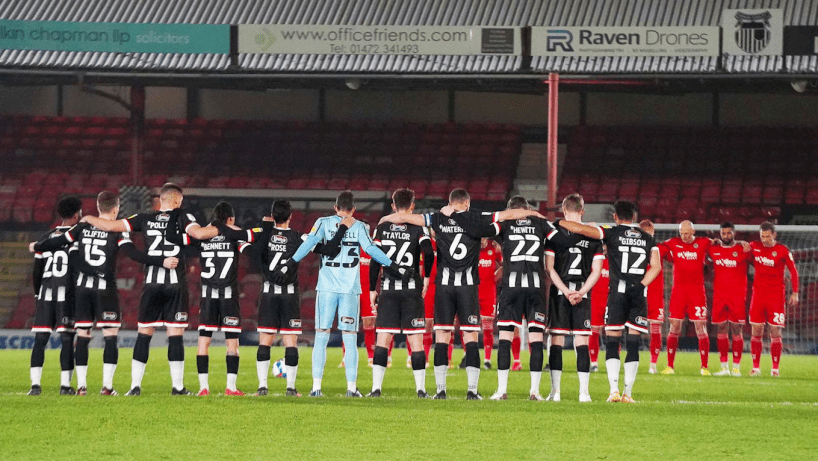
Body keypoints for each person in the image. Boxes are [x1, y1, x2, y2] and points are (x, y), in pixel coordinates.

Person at [380, 189, 540, 400]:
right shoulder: (476, 217)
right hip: (467, 287)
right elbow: (510, 214)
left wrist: (385, 219)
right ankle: (472, 391)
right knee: (471, 336)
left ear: (449, 203)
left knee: (443, 337)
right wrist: (536, 216)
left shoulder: (437, 218)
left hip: (444, 287)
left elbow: (403, 217)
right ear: (467, 203)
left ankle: (440, 391)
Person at [81, 183, 219, 396]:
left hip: (152, 284)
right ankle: (178, 387)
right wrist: (224, 228)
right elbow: (199, 235)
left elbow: (110, 227)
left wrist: (89, 218)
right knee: (175, 334)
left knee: (144, 334)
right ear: (175, 200)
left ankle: (135, 387)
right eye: (180, 201)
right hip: (175, 285)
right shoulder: (183, 218)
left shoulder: (143, 218)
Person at [32, 191, 175, 396]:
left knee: (82, 336)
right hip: (105, 289)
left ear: (99, 208)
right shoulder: (117, 231)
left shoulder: (82, 226)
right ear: (116, 209)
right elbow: (133, 254)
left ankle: (82, 387)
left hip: (82, 290)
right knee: (110, 336)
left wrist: (37, 246)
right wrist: (161, 261)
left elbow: (59, 241)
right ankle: (107, 387)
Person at [282, 191, 405, 398]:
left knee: (321, 336)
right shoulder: (359, 226)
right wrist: (393, 265)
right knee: (349, 338)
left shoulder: (323, 222)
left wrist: (291, 262)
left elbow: (308, 244)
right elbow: (371, 250)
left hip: (327, 288)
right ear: (353, 209)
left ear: (335, 207)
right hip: (350, 289)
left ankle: (316, 387)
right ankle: (351, 388)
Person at [560, 200, 661, 403]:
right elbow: (656, 267)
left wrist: (561, 223)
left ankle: (613, 391)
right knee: (633, 344)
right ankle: (628, 394)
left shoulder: (611, 233)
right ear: (633, 217)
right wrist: (641, 286)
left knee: (612, 341)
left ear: (615, 217)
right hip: (637, 295)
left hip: (617, 294)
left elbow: (582, 229)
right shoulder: (647, 237)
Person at [247, 199, 345, 397]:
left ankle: (262, 387)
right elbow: (329, 250)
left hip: (268, 293)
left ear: (273, 217)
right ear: (291, 217)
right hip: (290, 295)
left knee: (265, 340)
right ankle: (291, 388)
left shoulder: (264, 236)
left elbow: (252, 255)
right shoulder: (298, 237)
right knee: (290, 341)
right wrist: (342, 229)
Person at [167, 201, 255, 397]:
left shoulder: (202, 236)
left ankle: (203, 388)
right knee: (232, 343)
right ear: (230, 219)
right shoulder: (234, 236)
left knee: (203, 342)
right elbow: (251, 253)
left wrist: (176, 216)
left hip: (208, 296)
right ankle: (231, 387)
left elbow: (173, 238)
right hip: (229, 296)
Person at [367, 189, 435, 398]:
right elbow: (429, 253)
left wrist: (372, 289)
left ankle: (376, 389)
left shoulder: (383, 226)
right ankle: (421, 390)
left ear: (393, 206)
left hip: (388, 289)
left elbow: (374, 259)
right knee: (415, 339)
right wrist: (425, 279)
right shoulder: (418, 226)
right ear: (412, 206)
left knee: (383, 338)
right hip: (411, 290)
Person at [544, 194, 604, 403]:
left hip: (560, 293)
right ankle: (584, 393)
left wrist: (565, 291)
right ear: (582, 210)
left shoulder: (554, 233)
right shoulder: (593, 235)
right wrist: (581, 292)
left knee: (556, 341)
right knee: (582, 342)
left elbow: (549, 268)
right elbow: (596, 271)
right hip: (582, 293)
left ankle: (555, 393)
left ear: (563, 209)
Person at [28, 196, 82, 395]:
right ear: (76, 215)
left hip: (45, 293)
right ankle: (65, 386)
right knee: (67, 339)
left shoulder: (45, 237)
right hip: (66, 294)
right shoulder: (77, 236)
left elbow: (37, 270)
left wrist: (37, 295)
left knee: (40, 339)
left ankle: (35, 386)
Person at [659, 221, 713, 375]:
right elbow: (659, 249)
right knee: (674, 326)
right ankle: (670, 366)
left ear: (693, 231)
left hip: (697, 292)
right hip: (679, 292)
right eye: (682, 233)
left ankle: (704, 367)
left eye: (687, 233)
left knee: (700, 327)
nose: (684, 236)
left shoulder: (703, 242)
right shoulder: (673, 243)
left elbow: (719, 245)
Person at [748, 222, 799, 377]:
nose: (764, 239)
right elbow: (740, 252)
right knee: (756, 331)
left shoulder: (782, 250)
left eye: (767, 236)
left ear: (774, 235)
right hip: (758, 296)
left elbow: (793, 271)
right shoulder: (754, 247)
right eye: (762, 236)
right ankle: (756, 368)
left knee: (775, 332)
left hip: (776, 297)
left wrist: (795, 292)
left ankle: (775, 369)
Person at [708, 221, 752, 376]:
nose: (726, 236)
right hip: (720, 296)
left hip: (737, 297)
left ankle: (736, 368)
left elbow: (759, 262)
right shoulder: (713, 249)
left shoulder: (743, 249)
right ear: (720, 234)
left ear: (734, 233)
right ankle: (724, 367)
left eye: (729, 233)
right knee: (720, 329)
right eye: (723, 233)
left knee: (736, 330)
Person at [638, 220, 668, 375]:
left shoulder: (660, 249)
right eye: (645, 233)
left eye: (650, 233)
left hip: (655, 296)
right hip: (637, 294)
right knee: (631, 329)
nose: (648, 236)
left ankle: (653, 364)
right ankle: (631, 361)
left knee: (655, 330)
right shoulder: (633, 248)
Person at [477, 239, 502, 369]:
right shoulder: (471, 245)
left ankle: (487, 360)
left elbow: (504, 264)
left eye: (484, 238)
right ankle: (469, 356)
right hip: (472, 291)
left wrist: (495, 277)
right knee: (470, 327)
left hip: (488, 293)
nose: (483, 241)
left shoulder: (494, 247)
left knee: (488, 328)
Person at [589, 247, 609, 372]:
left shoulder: (614, 260)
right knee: (594, 330)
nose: (604, 247)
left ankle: (613, 360)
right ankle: (594, 362)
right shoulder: (591, 260)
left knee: (612, 332)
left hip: (610, 300)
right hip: (595, 299)